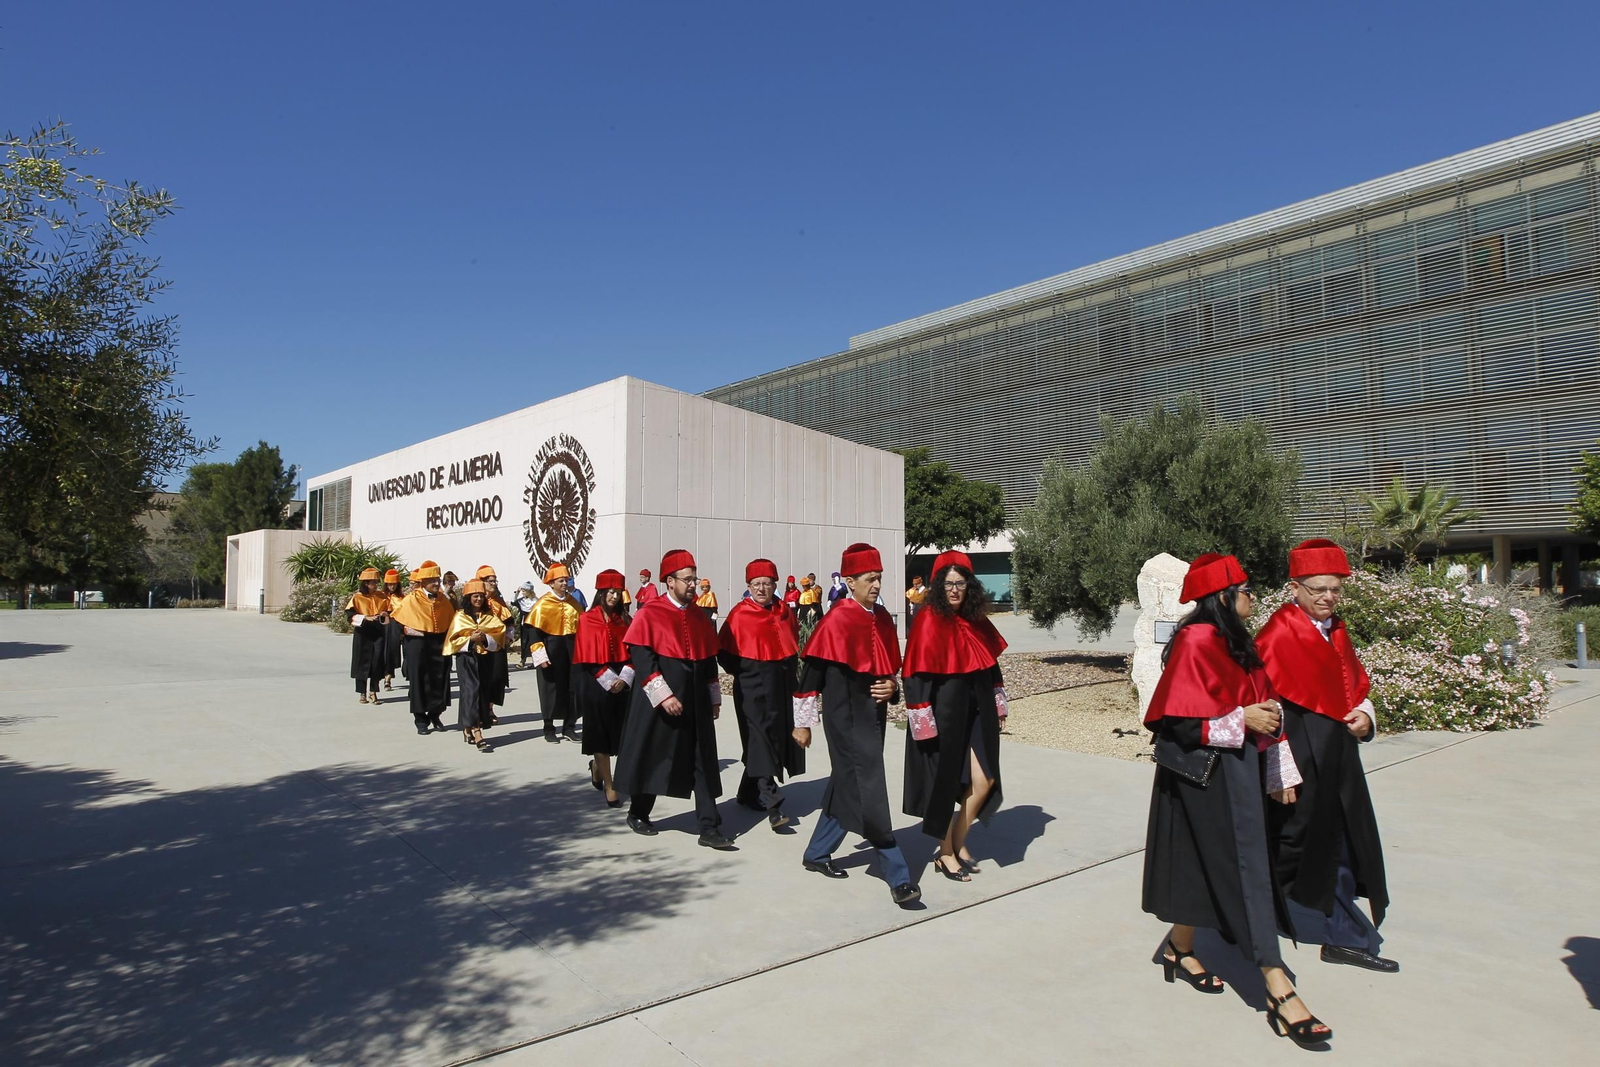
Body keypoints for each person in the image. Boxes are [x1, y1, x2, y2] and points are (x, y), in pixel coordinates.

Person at [1141, 553, 1332, 1048]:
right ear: (1221, 597)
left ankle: (1180, 948)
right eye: (1245, 589)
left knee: (1211, 865)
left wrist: (1278, 768)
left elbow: (1264, 707)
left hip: (1240, 773)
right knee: (1244, 872)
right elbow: (1176, 722)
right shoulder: (1197, 640)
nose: (1252, 596)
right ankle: (1277, 984)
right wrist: (1240, 720)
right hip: (1206, 779)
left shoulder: (1235, 641)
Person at [1257, 538, 1394, 973]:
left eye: (1334, 588)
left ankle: (1343, 935)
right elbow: (1267, 705)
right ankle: (1236, 913)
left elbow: (1354, 686)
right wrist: (1278, 771)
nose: (1327, 597)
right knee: (1293, 846)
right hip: (1299, 760)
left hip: (1338, 758)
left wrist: (1365, 716)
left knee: (1342, 842)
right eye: (1317, 588)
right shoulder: (1277, 634)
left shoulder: (1336, 629)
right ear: (1294, 587)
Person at [794, 543, 919, 906]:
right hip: (843, 718)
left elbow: (887, 673)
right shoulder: (835, 620)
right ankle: (898, 873)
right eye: (869, 579)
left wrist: (892, 688)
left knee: (849, 781)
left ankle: (817, 852)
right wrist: (803, 725)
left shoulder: (881, 618)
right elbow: (808, 681)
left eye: (879, 578)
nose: (877, 585)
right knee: (868, 788)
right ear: (850, 581)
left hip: (874, 718)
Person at [613, 549, 733, 850]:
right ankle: (639, 811)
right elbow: (643, 660)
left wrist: (714, 696)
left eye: (695, 579)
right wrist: (663, 695)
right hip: (659, 703)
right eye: (687, 579)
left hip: (696, 702)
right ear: (669, 581)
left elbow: (707, 661)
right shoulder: (650, 612)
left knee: (702, 761)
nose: (693, 584)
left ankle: (709, 826)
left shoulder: (698, 615)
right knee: (655, 757)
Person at [901, 552, 1007, 883]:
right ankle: (946, 852)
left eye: (960, 583)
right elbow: (914, 674)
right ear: (938, 586)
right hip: (942, 714)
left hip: (979, 711)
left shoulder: (976, 618)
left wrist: (999, 703)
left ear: (970, 585)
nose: (954, 590)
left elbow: (991, 665)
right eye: (948, 584)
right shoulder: (928, 618)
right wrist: (921, 718)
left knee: (984, 780)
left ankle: (958, 841)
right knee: (944, 784)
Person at [717, 559, 804, 831]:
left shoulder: (785, 612)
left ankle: (746, 793)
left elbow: (792, 646)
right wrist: (745, 672)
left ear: (775, 585)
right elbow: (724, 653)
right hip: (752, 685)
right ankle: (773, 802)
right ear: (748, 586)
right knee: (759, 737)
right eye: (756, 584)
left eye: (767, 584)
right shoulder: (739, 614)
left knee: (774, 738)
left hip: (781, 684)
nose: (761, 589)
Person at [573, 569, 632, 808]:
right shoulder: (587, 619)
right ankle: (610, 785)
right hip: (594, 681)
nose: (613, 596)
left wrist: (625, 678)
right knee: (600, 734)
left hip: (622, 681)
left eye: (617, 592)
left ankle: (597, 768)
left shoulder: (626, 620)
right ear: (600, 592)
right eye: (609, 592)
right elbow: (587, 657)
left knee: (618, 734)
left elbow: (633, 653)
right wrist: (608, 680)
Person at [388, 562, 455, 735]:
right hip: (417, 645)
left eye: (437, 579)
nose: (436, 583)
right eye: (432, 580)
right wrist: (406, 629)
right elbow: (396, 621)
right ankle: (420, 719)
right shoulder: (412, 599)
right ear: (423, 581)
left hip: (439, 644)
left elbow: (452, 620)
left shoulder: (443, 599)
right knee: (418, 681)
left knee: (440, 680)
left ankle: (435, 714)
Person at [443, 579, 506, 752]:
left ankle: (467, 727)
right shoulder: (460, 616)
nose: (478, 599)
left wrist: (485, 638)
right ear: (468, 598)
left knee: (481, 691)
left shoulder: (490, 616)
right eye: (474, 596)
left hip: (485, 659)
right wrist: (469, 639)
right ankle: (477, 731)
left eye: (480, 596)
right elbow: (451, 640)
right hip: (466, 659)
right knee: (471, 691)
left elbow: (499, 635)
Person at [529, 564, 583, 742]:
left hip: (571, 649)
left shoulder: (573, 602)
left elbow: (582, 628)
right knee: (549, 688)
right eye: (561, 581)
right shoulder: (542, 604)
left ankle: (569, 726)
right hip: (550, 651)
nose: (565, 583)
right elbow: (534, 634)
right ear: (551, 583)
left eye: (566, 580)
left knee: (573, 688)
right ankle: (548, 727)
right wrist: (540, 656)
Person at [345, 567, 390, 705]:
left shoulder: (382, 596)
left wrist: (384, 615)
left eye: (377, 582)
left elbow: (389, 613)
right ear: (366, 583)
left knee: (376, 662)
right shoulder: (357, 598)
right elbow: (349, 615)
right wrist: (365, 618)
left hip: (378, 632)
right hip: (362, 632)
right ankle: (362, 692)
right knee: (361, 662)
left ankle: (373, 692)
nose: (376, 584)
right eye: (373, 582)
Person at [476, 565, 514, 723]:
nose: (493, 583)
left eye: (494, 580)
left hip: (498, 646)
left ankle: (490, 707)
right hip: (480, 645)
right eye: (489, 581)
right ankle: (480, 709)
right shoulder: (476, 599)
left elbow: (509, 621)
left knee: (497, 677)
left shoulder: (499, 602)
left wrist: (509, 635)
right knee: (481, 678)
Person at [381, 568, 405, 690]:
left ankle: (388, 677)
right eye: (389, 584)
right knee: (382, 651)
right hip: (383, 626)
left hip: (395, 626)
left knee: (393, 651)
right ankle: (384, 675)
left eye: (394, 584)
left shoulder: (402, 598)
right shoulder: (381, 596)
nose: (391, 586)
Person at [512, 581, 538, 668]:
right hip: (524, 625)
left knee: (533, 642)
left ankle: (535, 661)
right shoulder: (521, 601)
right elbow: (513, 602)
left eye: (523, 591)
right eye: (522, 591)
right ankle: (522, 661)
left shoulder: (536, 601)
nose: (522, 593)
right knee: (524, 642)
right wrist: (517, 592)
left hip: (533, 625)